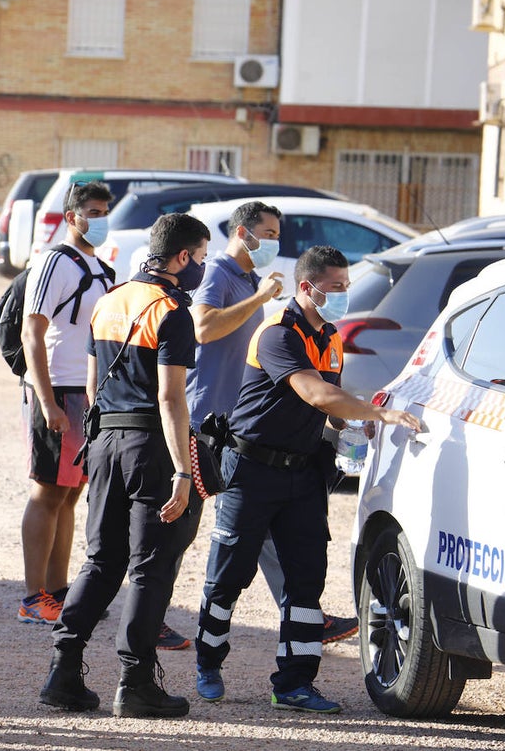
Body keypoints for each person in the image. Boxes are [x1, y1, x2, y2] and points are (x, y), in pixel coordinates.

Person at [193, 246, 421, 713]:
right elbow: (315, 392)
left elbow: (329, 403)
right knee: (227, 578)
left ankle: (293, 684)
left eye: (345, 286)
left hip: (301, 474)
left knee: (305, 582)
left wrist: (352, 425)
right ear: (306, 287)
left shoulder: (331, 337)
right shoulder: (277, 334)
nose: (342, 294)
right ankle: (208, 663)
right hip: (250, 470)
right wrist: (377, 411)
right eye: (335, 287)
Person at [39, 213, 208, 719]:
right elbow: (171, 399)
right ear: (181, 257)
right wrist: (182, 470)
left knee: (101, 560)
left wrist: (103, 438)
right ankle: (135, 683)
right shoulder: (172, 310)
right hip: (150, 446)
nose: (200, 267)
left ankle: (63, 672)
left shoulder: (110, 300)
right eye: (199, 258)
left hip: (106, 439)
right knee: (149, 568)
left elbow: (92, 387)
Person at [187, 201, 358, 651]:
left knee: (287, 552)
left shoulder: (253, 285)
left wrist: (354, 423)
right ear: (243, 232)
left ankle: (302, 635)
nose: (275, 242)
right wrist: (262, 299)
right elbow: (202, 329)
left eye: (279, 234)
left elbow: (325, 397)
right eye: (270, 233)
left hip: (273, 442)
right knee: (200, 548)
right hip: (214, 425)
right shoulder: (222, 275)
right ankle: (173, 635)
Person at [18, 181, 114, 625]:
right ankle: (32, 595)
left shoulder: (102, 269)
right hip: (56, 390)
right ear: (72, 216)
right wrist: (47, 401)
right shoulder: (54, 262)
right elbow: (31, 333)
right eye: (93, 211)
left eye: (105, 210)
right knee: (47, 491)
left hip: (87, 394)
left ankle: (58, 590)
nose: (101, 219)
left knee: (72, 494)